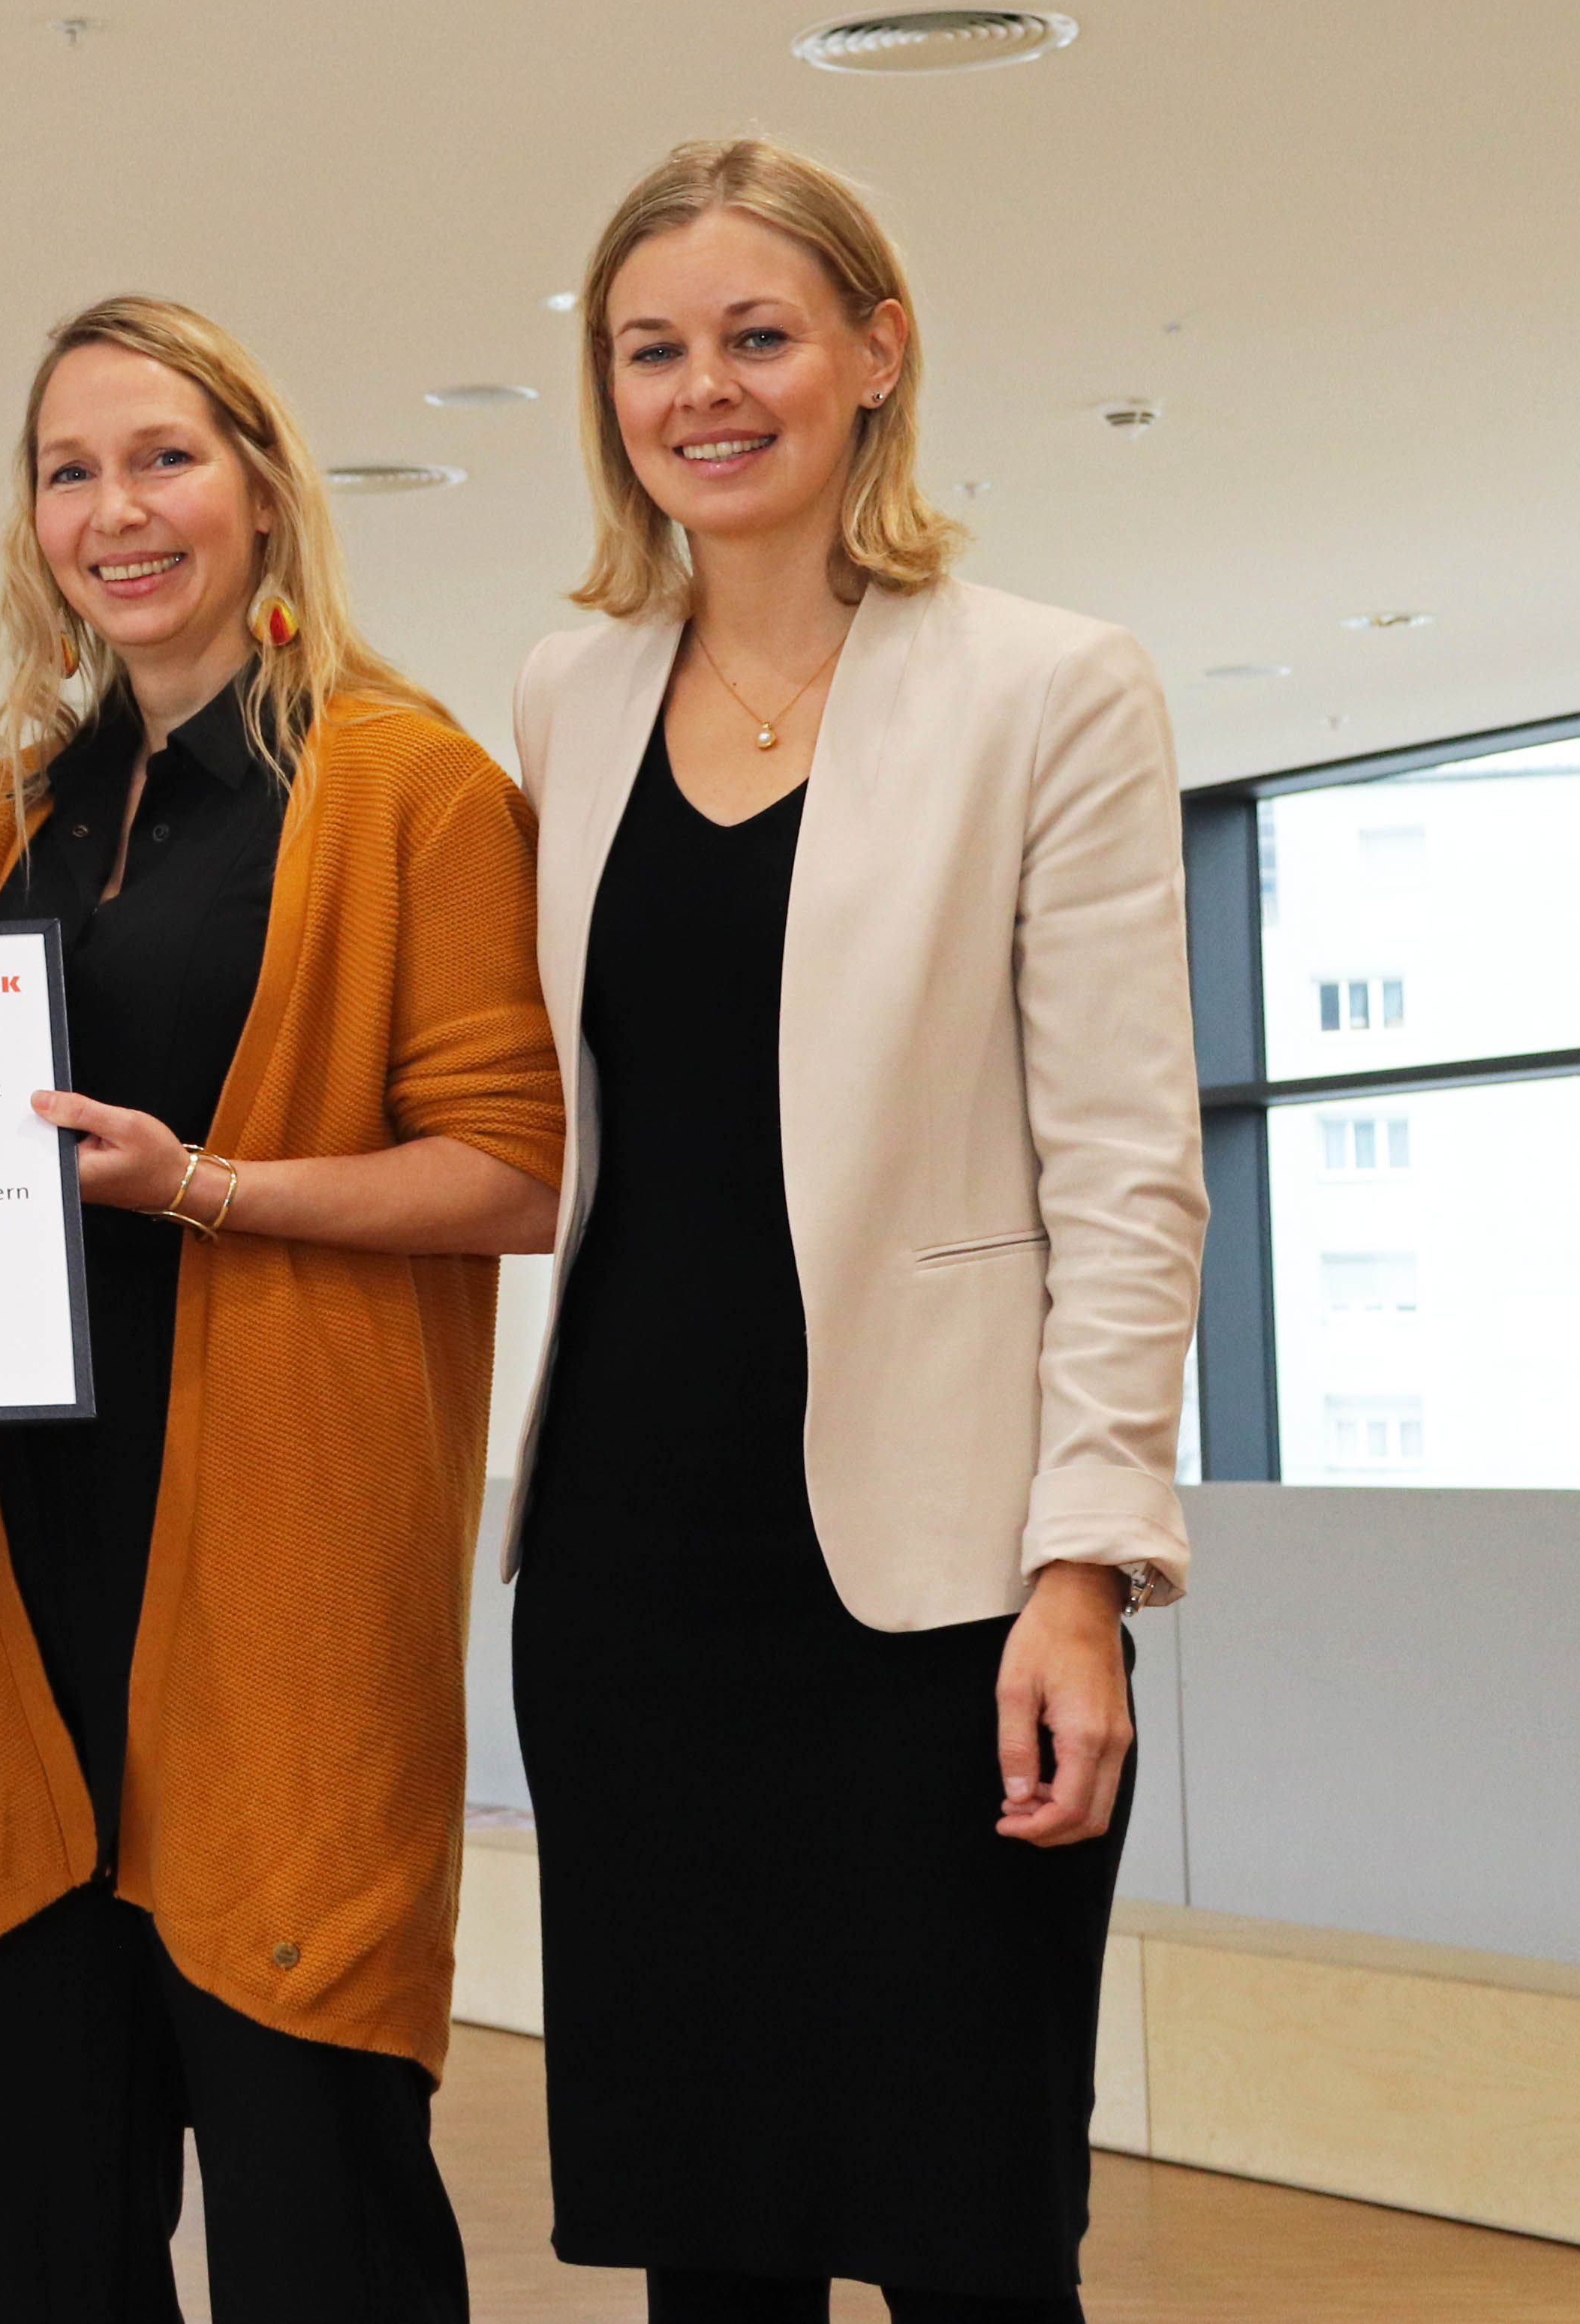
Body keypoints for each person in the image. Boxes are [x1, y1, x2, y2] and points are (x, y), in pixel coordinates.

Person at [506, 140, 1204, 2324]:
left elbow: (1123, 1168)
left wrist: (1078, 1569)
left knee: (972, 2230)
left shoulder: (1047, 686)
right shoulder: (564, 694)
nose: (701, 389)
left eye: (755, 334)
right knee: (709, 2243)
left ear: (872, 356)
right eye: (651, 348)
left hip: (932, 1585)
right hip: (630, 1572)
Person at [0, 295, 564, 2323]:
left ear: (263, 491)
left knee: (317, 2228)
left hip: (278, 1616)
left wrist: (202, 1184)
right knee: (38, 2246)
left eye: (164, 456)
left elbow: (518, 1170)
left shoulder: (410, 784)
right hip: (10, 1619)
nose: (117, 510)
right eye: (67, 469)